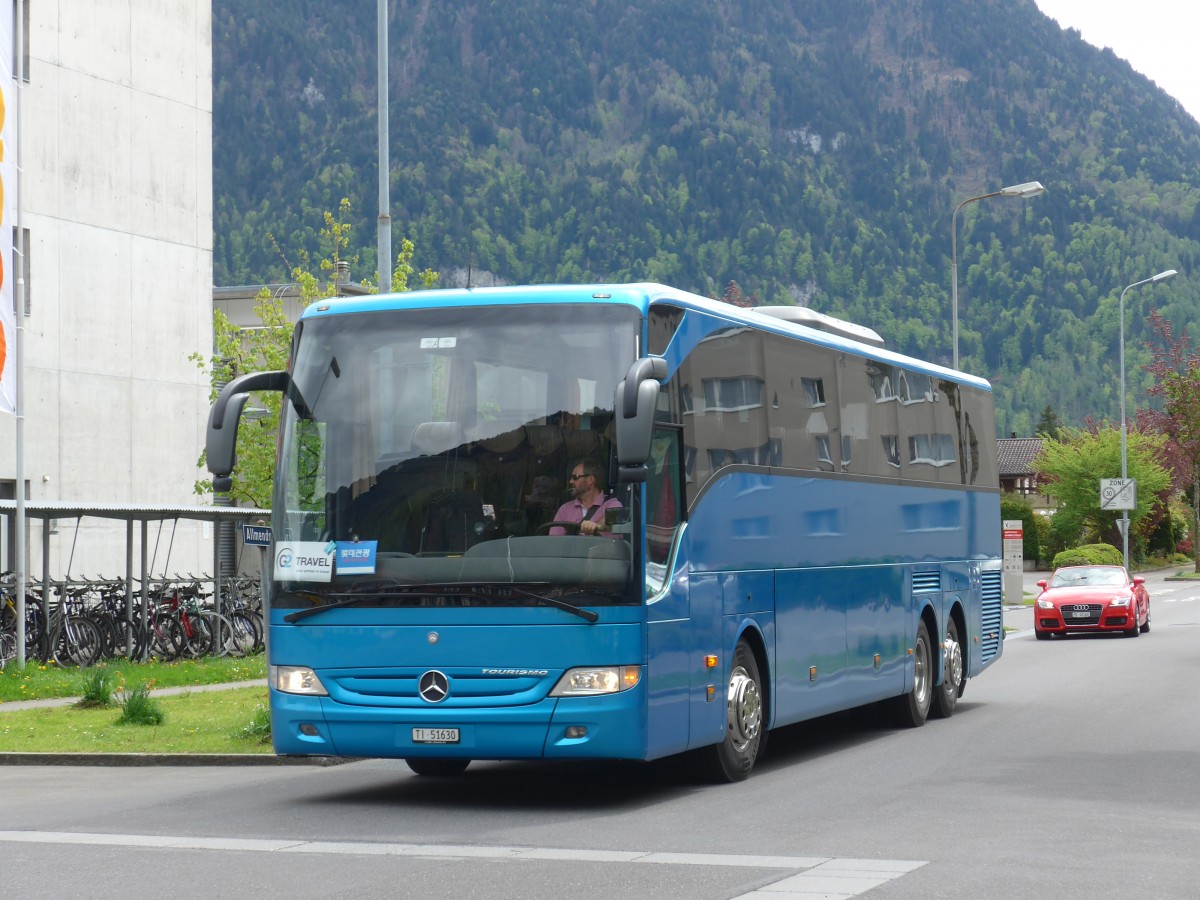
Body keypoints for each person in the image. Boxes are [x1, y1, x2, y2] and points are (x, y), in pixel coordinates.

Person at [549, 458, 622, 535]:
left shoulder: (612, 504)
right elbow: (554, 541)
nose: (571, 481)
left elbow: (612, 520)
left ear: (590, 479)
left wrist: (597, 526)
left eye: (575, 477)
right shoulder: (565, 509)